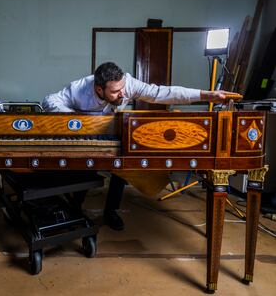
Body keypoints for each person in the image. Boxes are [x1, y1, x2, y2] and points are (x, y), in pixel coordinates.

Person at [42, 62, 229, 230]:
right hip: (87, 134)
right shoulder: (78, 89)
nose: (123, 94)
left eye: (122, 88)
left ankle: (111, 211)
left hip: (113, 129)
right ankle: (75, 208)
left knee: (124, 163)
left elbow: (163, 93)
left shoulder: (128, 84)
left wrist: (208, 95)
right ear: (99, 89)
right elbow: (49, 101)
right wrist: (77, 118)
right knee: (84, 168)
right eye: (115, 92)